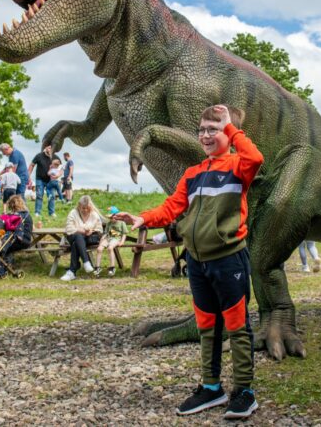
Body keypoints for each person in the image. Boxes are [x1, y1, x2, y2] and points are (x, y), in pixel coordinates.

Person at [113, 105, 263, 419]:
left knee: (237, 328)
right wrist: (142, 218)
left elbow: (256, 158)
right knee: (207, 327)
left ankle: (244, 392)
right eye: (202, 129)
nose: (206, 135)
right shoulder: (193, 173)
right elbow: (172, 207)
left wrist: (232, 128)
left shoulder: (239, 165)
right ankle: (211, 388)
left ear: (229, 132)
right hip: (197, 263)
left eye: (214, 128)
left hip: (229, 260)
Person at [60, 195, 103, 281]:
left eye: (87, 208)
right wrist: (82, 231)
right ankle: (86, 262)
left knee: (76, 243)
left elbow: (99, 229)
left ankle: (72, 271)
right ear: (79, 206)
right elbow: (69, 229)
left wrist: (92, 231)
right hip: (74, 236)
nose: (85, 210)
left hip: (90, 238)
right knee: (78, 237)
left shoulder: (94, 214)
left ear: (90, 206)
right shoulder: (73, 213)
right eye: (83, 208)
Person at [26, 144, 61, 218]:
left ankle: (52, 213)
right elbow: (32, 165)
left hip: (50, 181)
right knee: (39, 195)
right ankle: (37, 213)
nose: (50, 149)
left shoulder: (55, 157)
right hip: (40, 179)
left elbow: (61, 169)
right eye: (49, 148)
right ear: (45, 148)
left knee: (51, 196)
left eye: (52, 148)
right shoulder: (39, 156)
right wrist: (28, 176)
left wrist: (58, 175)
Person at [94, 206, 128, 277]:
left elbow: (124, 233)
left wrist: (122, 241)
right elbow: (106, 233)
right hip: (108, 238)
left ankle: (112, 267)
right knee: (99, 249)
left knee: (110, 248)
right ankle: (97, 267)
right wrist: (101, 241)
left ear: (117, 216)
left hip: (116, 239)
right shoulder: (109, 223)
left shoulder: (122, 223)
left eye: (113, 217)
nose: (112, 219)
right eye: (110, 218)